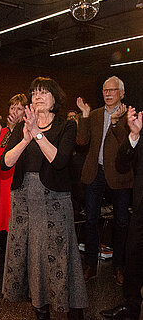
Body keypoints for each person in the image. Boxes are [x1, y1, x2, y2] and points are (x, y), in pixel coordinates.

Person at [0, 77, 88, 320]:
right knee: (32, 254)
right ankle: (40, 308)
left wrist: (38, 134)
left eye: (44, 92)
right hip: (24, 199)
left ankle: (71, 307)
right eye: (34, 93)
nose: (38, 96)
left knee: (59, 253)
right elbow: (5, 163)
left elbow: (59, 161)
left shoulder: (66, 126)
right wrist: (26, 138)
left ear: (55, 99)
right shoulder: (21, 126)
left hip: (54, 200)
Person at [76, 76, 133, 285]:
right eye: (105, 90)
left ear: (122, 93)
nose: (108, 94)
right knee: (91, 220)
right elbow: (81, 141)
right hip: (95, 172)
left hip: (120, 175)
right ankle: (91, 264)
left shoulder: (130, 115)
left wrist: (117, 123)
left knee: (121, 222)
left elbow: (127, 148)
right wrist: (84, 115)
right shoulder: (96, 114)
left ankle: (119, 266)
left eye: (112, 90)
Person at [100, 106, 143, 320]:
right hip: (141, 208)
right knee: (133, 255)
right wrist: (134, 135)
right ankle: (131, 305)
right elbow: (122, 163)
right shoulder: (139, 127)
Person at [0, 94, 27, 231]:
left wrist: (14, 129)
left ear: (26, 112)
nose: (14, 112)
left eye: (19, 109)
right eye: (12, 108)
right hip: (2, 185)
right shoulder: (3, 131)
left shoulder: (27, 132)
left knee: (16, 229)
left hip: (17, 184)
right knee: (4, 232)